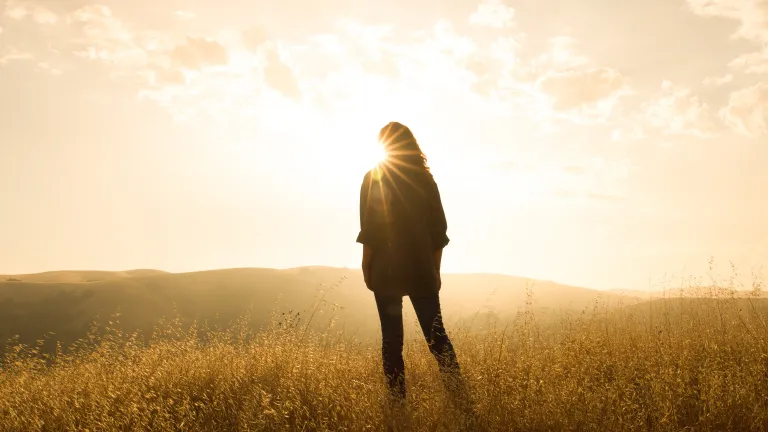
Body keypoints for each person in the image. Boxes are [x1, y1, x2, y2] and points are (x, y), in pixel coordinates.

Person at [356, 122, 467, 404]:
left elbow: (371, 227)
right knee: (437, 338)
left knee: (392, 341)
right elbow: (438, 232)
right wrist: (435, 270)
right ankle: (459, 398)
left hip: (386, 270)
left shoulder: (374, 177)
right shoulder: (425, 181)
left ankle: (398, 404)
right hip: (420, 269)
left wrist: (366, 267)